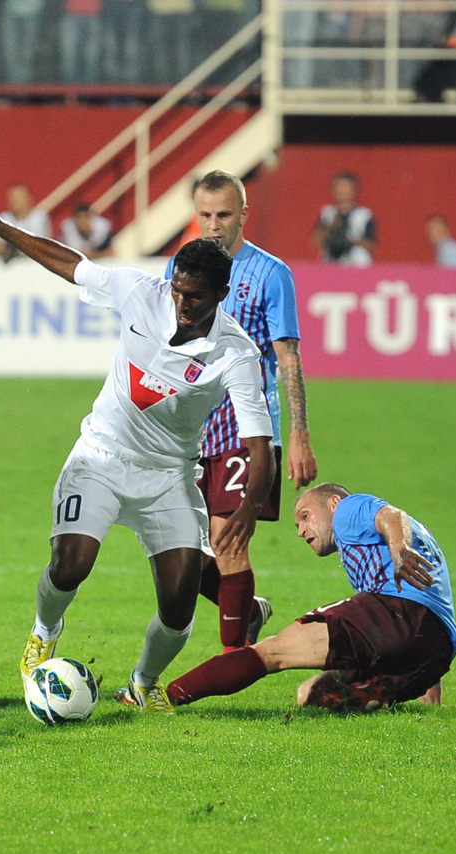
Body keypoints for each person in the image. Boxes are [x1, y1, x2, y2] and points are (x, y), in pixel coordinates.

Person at [0, 179, 275, 714]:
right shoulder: (141, 293)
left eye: (194, 296)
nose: (180, 303)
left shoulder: (236, 355)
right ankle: (44, 631)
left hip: (169, 476)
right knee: (70, 564)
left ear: (221, 294)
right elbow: (72, 264)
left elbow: (260, 446)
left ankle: (142, 685)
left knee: (178, 606)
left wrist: (247, 507)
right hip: (101, 457)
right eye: (177, 289)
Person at [174, 170, 316, 654]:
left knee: (228, 539)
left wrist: (298, 435)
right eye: (205, 215)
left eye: (224, 215)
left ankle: (233, 657)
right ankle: (247, 610)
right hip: (191, 427)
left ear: (243, 215)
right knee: (176, 548)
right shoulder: (183, 266)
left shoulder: (270, 274)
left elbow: (288, 358)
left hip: (245, 427)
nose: (214, 225)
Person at [165, 483, 456, 713]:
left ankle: (168, 696)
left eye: (305, 517)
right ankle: (371, 689)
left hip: (393, 613)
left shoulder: (348, 508)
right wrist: (431, 700)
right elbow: (423, 619)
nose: (301, 531)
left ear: (333, 503)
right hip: (434, 650)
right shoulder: (410, 544)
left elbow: (390, 514)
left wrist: (399, 548)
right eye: (298, 525)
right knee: (311, 695)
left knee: (272, 652)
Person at [311, 172, 377, 266]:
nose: (342, 190)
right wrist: (330, 227)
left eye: (346, 187)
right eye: (339, 186)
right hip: (331, 261)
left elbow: (371, 244)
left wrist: (350, 241)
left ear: (355, 190)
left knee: (360, 254)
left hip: (356, 263)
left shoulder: (363, 215)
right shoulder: (327, 213)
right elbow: (315, 241)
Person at [0, 183, 51, 260]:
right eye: (11, 197)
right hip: (10, 263)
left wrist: (15, 249)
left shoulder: (39, 218)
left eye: (18, 197)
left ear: (29, 198)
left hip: (34, 262)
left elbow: (42, 246)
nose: (14, 201)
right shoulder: (4, 218)